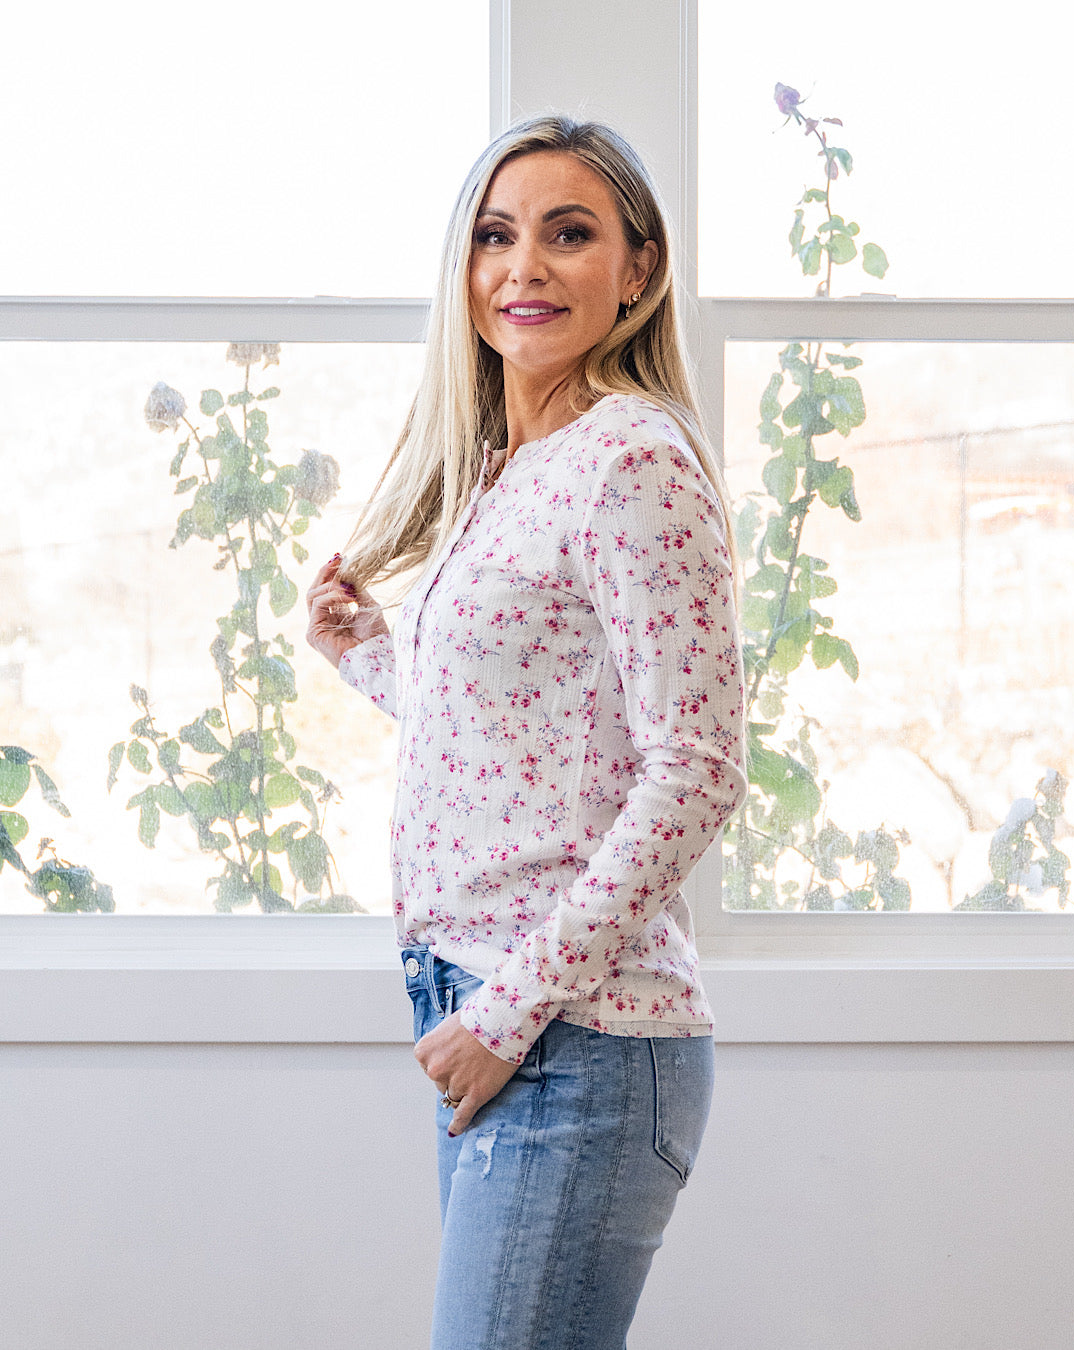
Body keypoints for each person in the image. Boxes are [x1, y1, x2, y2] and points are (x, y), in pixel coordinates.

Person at [305, 114, 747, 1350]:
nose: (523, 267)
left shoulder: (633, 460)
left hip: (573, 1040)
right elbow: (520, 738)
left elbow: (698, 771)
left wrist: (508, 1016)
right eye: (496, 236)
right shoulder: (509, 466)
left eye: (569, 234)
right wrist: (368, 656)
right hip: (491, 1009)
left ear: (639, 269)